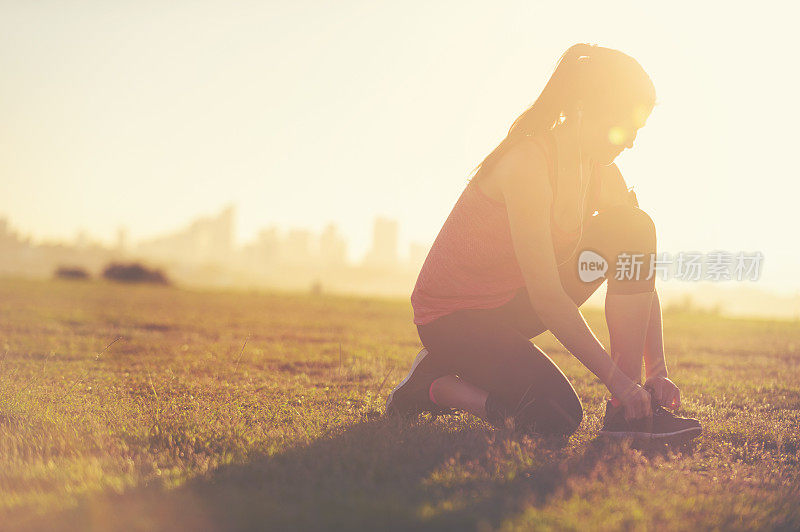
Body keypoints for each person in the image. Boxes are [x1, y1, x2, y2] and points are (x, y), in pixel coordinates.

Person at [385, 43, 701, 443]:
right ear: (587, 107)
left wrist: (656, 371)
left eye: (638, 131)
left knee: (634, 227)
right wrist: (616, 379)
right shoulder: (529, 164)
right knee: (555, 416)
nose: (632, 142)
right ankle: (434, 387)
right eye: (626, 128)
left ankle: (627, 414)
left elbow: (636, 265)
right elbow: (548, 297)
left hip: (510, 304)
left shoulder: (600, 172)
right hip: (454, 319)